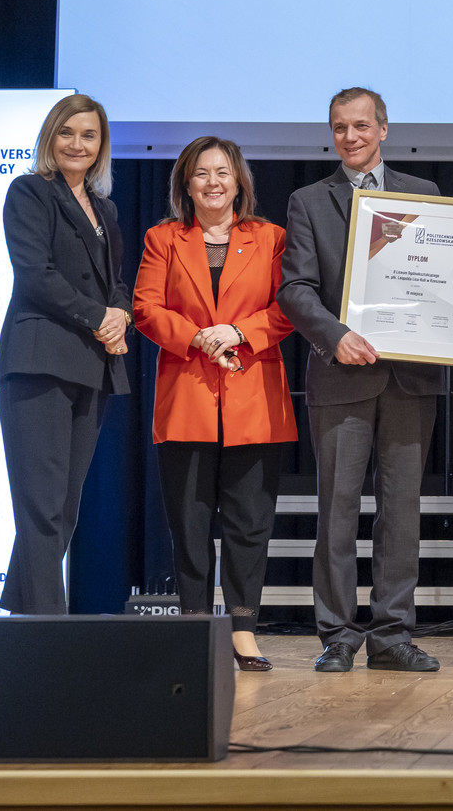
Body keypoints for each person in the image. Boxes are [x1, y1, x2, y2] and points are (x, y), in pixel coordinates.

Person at [277, 87, 453, 674]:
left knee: (402, 512)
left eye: (361, 126)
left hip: (411, 377)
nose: (351, 137)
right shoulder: (308, 201)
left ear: (384, 129)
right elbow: (295, 289)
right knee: (337, 511)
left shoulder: (425, 195)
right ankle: (337, 635)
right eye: (339, 127)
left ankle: (393, 634)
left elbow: (446, 276)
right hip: (341, 374)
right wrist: (334, 335)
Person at [132, 136, 296, 670]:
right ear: (186, 183)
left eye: (222, 172)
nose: (213, 183)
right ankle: (196, 628)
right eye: (201, 173)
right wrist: (199, 337)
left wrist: (238, 332)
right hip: (187, 398)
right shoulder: (163, 239)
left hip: (255, 400)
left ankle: (244, 630)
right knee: (189, 524)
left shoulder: (271, 238)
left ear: (239, 181)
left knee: (250, 525)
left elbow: (290, 307)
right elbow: (145, 308)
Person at [0, 94, 132, 614]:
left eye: (89, 135)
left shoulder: (105, 208)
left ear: (101, 146)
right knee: (42, 505)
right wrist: (100, 318)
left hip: (92, 366)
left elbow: (115, 283)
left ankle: (24, 617)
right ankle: (49, 626)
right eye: (67, 132)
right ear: (50, 138)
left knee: (65, 507)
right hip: (39, 361)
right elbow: (36, 275)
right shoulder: (30, 191)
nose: (77, 144)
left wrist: (120, 315)